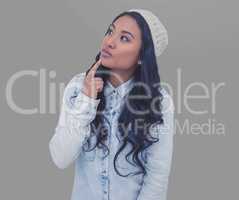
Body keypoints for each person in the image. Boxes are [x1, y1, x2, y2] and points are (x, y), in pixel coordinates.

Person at [49, 8, 175, 200]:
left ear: (142, 56)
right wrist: (87, 100)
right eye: (110, 31)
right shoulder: (78, 87)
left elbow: (157, 177)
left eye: (124, 38)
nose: (109, 42)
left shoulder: (160, 101)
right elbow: (60, 158)